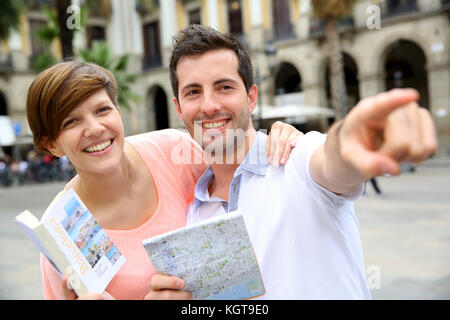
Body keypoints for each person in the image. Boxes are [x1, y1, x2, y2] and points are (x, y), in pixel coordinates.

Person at [146, 25, 437, 299]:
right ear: (179, 108)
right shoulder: (195, 213)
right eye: (193, 92)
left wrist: (352, 141)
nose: (209, 105)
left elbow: (332, 161)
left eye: (224, 87)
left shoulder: (298, 158)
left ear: (251, 98)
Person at [25, 59, 301, 300]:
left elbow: (242, 163)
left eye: (102, 110)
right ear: (51, 145)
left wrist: (282, 137)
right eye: (71, 122)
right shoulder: (59, 232)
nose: (95, 128)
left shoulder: (172, 149)